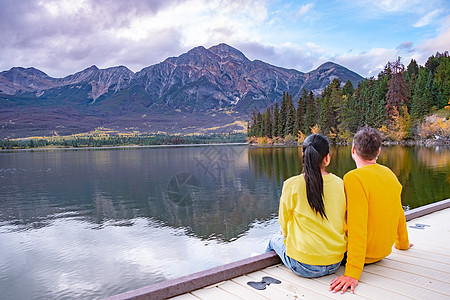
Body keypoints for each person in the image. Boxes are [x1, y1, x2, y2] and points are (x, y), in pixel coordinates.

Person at [330, 127, 412, 294]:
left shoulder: (354, 178)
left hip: (363, 257)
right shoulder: (389, 174)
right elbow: (399, 212)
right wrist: (402, 244)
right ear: (379, 151)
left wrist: (352, 272)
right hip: (384, 252)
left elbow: (357, 226)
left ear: (353, 150)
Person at [266, 134, 346, 278]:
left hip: (304, 266)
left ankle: (264, 274)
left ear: (303, 156)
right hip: (335, 261)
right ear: (327, 158)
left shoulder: (292, 185)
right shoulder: (340, 183)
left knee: (273, 240)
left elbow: (283, 223)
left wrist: (285, 234)